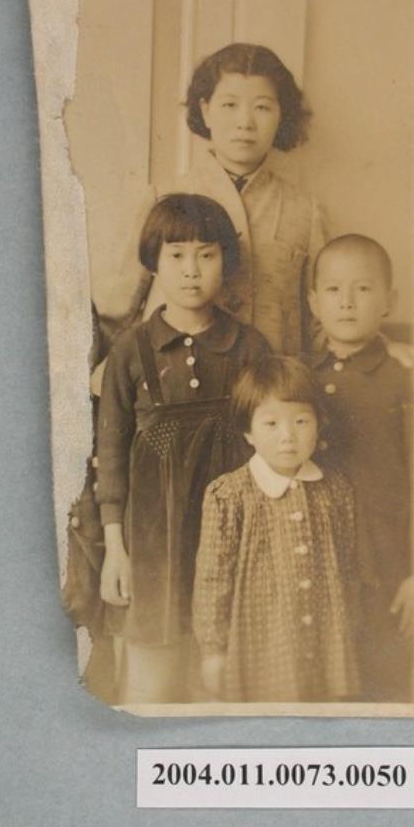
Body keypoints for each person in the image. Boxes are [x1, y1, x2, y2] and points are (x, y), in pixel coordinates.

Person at [96, 194, 270, 703]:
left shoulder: (250, 348)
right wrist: (116, 551)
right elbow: (111, 456)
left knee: (227, 679)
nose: (191, 270)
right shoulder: (130, 351)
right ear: (154, 262)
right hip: (152, 543)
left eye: (206, 255)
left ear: (226, 262)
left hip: (234, 536)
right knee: (152, 684)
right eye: (176, 255)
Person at [93, 42, 326, 364]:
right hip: (173, 381)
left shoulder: (305, 211)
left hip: (269, 385)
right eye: (229, 105)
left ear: (281, 115)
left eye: (262, 107)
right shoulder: (163, 196)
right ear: (205, 111)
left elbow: (322, 323)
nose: (245, 122)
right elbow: (114, 313)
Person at [192, 356, 360, 703]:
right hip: (261, 644)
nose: (288, 436)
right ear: (248, 432)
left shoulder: (336, 488)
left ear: (319, 424)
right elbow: (212, 578)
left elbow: (347, 566)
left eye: (301, 421)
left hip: (326, 641)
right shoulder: (229, 495)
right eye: (271, 424)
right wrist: (213, 651)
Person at [306, 233, 414, 701]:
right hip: (318, 563)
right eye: (333, 289)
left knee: (382, 682)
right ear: (314, 302)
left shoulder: (406, 377)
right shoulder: (301, 376)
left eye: (363, 288)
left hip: (386, 564)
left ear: (390, 301)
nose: (347, 302)